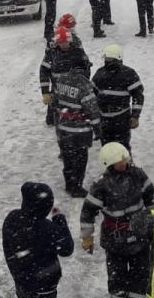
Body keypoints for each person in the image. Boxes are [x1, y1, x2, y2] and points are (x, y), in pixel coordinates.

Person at [81, 142, 154, 298]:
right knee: (116, 270)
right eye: (119, 162)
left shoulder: (138, 174)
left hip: (140, 233)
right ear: (109, 164)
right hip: (114, 236)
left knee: (141, 268)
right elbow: (88, 211)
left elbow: (150, 199)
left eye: (125, 159)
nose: (124, 163)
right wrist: (87, 236)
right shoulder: (101, 185)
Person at [52, 54, 102, 198]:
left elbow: (55, 103)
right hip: (80, 131)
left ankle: (69, 184)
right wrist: (98, 128)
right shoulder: (84, 84)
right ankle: (76, 187)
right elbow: (92, 109)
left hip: (63, 128)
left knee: (68, 159)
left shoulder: (61, 80)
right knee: (80, 160)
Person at [90, 44, 144, 150]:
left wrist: (135, 116)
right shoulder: (100, 73)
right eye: (106, 58)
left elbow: (138, 96)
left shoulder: (129, 74)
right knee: (106, 149)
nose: (107, 61)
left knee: (122, 149)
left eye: (110, 59)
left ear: (118, 59)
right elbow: (91, 94)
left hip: (121, 118)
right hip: (104, 119)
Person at [39, 23, 91, 125]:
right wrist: (45, 92)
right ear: (57, 43)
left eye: (66, 42)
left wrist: (78, 82)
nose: (64, 45)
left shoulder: (78, 52)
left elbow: (86, 69)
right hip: (56, 90)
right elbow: (43, 71)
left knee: (74, 116)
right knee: (51, 121)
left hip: (74, 90)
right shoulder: (52, 53)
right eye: (61, 43)